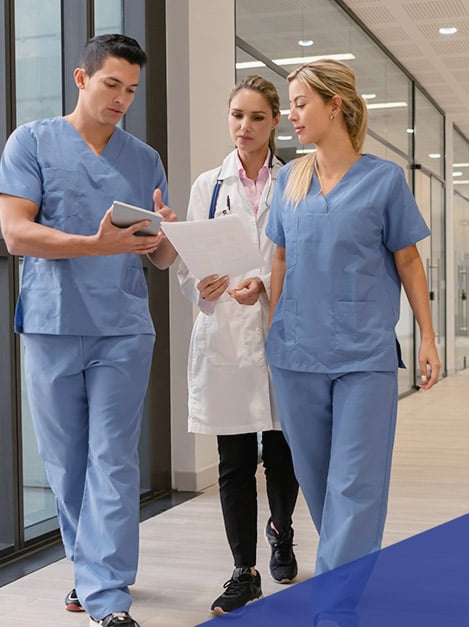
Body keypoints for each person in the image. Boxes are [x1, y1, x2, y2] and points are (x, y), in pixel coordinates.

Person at [0, 34, 176, 627]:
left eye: (131, 89)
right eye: (111, 85)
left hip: (122, 326)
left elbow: (161, 259)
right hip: (52, 322)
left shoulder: (144, 159)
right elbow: (17, 235)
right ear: (81, 78)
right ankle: (88, 565)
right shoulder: (31, 142)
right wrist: (94, 245)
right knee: (67, 462)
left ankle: (107, 595)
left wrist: (169, 235)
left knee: (114, 458)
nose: (122, 98)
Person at [264, 57, 441, 619]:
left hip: (364, 354)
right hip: (295, 355)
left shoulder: (384, 181)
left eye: (299, 103)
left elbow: (409, 261)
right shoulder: (289, 181)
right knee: (319, 485)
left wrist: (428, 340)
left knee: (356, 484)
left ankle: (334, 607)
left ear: (333, 106)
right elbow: (281, 258)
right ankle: (346, 575)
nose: (290, 115)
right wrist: (271, 329)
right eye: (290, 105)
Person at [176, 75, 301, 615]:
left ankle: (281, 528)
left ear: (275, 121)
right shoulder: (209, 184)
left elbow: (302, 252)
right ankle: (242, 571)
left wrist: (266, 286)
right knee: (232, 460)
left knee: (281, 453)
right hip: (225, 331)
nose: (243, 127)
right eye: (235, 117)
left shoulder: (296, 180)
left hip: (278, 329)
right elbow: (188, 260)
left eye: (255, 117)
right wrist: (201, 288)